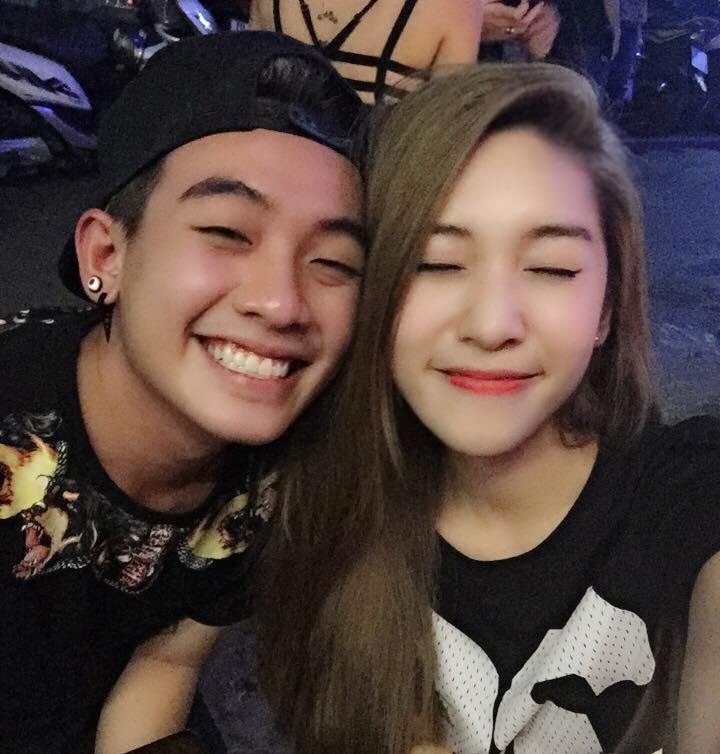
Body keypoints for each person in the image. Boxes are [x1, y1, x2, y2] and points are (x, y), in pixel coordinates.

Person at [257, 62, 720, 754]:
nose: (492, 323)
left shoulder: (682, 498)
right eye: (438, 263)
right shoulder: (314, 501)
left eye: (552, 268)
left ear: (606, 308)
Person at [0, 30, 365, 754]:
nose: (281, 303)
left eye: (333, 261)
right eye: (227, 231)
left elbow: (165, 658)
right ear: (107, 254)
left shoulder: (282, 472)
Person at [249, 0, 484, 103]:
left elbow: (245, 87)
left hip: (271, 176)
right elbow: (449, 136)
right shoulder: (457, 6)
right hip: (381, 182)